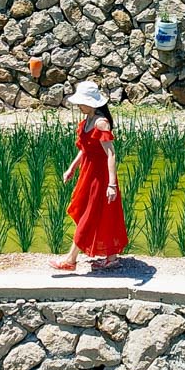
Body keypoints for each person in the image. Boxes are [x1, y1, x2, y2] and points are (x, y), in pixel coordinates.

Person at [53, 81, 128, 271]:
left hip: (100, 177)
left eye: (81, 102)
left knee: (89, 214)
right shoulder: (86, 121)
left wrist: (112, 184)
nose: (78, 106)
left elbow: (111, 154)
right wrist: (71, 168)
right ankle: (111, 258)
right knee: (100, 213)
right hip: (87, 174)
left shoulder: (101, 123)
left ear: (92, 103)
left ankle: (70, 259)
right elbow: (84, 150)